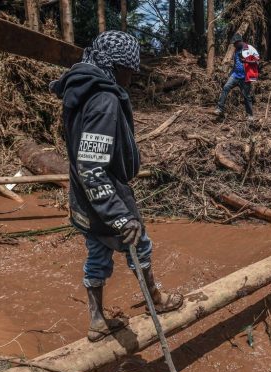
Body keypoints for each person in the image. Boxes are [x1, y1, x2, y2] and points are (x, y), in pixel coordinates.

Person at [50, 31, 184, 342]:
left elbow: (83, 160)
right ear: (115, 67)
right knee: (139, 244)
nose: (133, 75)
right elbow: (92, 167)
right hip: (104, 194)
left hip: (82, 199)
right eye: (129, 69)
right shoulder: (104, 99)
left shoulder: (80, 90)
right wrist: (120, 217)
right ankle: (157, 301)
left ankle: (97, 319)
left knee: (97, 252)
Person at [215, 33, 259, 120]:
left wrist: (246, 61)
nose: (234, 45)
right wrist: (231, 72)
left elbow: (257, 62)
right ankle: (219, 108)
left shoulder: (250, 48)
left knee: (246, 96)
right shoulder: (236, 50)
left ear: (239, 42)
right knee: (226, 87)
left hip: (245, 77)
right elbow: (236, 63)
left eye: (235, 43)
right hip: (235, 75)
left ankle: (250, 115)